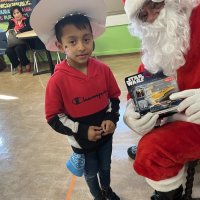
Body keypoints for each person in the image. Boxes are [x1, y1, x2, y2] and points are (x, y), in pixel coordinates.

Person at [30, 0, 121, 200]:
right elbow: (54, 117)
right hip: (81, 142)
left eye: (86, 39)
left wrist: (111, 119)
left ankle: (106, 189)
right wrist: (82, 130)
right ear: (60, 45)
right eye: (72, 41)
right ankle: (97, 195)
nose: (81, 47)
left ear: (93, 39)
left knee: (105, 166)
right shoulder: (58, 80)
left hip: (106, 137)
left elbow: (113, 98)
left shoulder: (103, 70)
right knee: (90, 172)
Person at [122, 0, 200, 199]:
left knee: (150, 151)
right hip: (177, 118)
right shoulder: (157, 35)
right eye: (142, 14)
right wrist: (132, 108)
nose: (152, 17)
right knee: (149, 152)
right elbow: (144, 77)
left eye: (154, 4)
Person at [5, 6, 32, 74]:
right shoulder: (11, 22)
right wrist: (9, 32)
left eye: (18, 12)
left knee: (18, 49)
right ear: (12, 15)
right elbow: (8, 30)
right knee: (8, 51)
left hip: (25, 41)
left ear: (21, 12)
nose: (17, 15)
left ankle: (27, 63)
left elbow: (29, 28)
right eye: (14, 13)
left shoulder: (26, 19)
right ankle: (17, 65)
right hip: (13, 42)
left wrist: (19, 30)